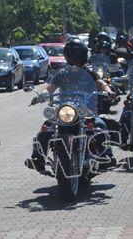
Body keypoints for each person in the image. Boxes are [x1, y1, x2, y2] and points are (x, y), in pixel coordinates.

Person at [26, 39, 115, 173]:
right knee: (46, 128)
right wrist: (43, 94)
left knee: (100, 125)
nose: (75, 58)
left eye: (77, 55)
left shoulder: (89, 71)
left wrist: (108, 91)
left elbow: (100, 83)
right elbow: (50, 87)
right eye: (72, 55)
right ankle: (37, 158)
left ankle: (106, 155)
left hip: (85, 109)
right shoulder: (63, 72)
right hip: (66, 110)